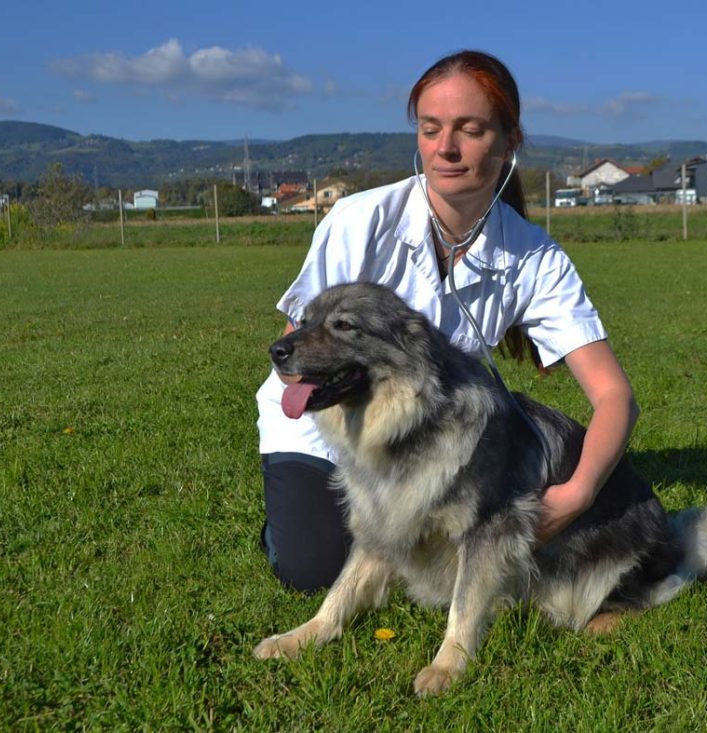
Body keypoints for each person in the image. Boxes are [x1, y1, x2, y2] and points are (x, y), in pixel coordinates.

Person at [255, 50, 638, 592]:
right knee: (313, 566)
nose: (446, 148)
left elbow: (614, 396)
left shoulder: (534, 256)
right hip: (331, 427)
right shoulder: (357, 220)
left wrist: (577, 495)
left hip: (430, 443)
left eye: (470, 130)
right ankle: (289, 518)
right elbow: (301, 347)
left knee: (433, 552)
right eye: (431, 129)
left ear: (508, 142)